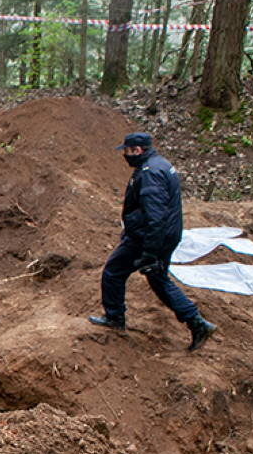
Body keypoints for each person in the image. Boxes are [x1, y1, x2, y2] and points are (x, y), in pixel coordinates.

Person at [89, 132, 217, 350]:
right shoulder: (161, 165)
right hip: (163, 236)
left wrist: (149, 251)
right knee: (158, 278)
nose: (125, 156)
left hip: (149, 237)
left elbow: (155, 215)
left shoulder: (150, 174)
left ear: (138, 150)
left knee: (113, 271)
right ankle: (196, 322)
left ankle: (115, 318)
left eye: (127, 151)